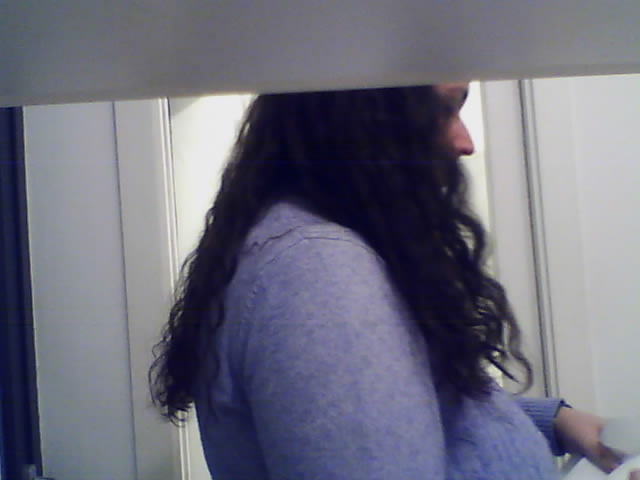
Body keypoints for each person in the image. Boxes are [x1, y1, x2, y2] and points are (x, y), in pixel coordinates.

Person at [150, 83, 639, 479]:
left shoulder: (317, 248)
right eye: (443, 110)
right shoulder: (319, 276)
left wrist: (556, 421)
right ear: (358, 118)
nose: (465, 141)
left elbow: (400, 414)